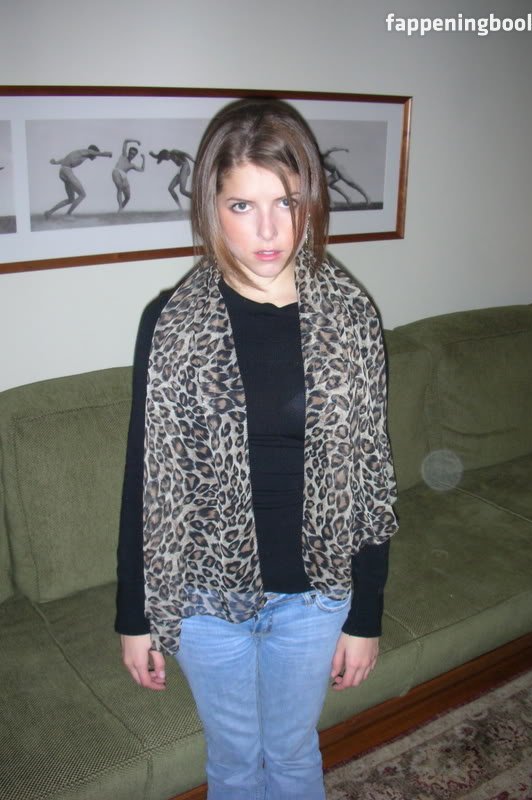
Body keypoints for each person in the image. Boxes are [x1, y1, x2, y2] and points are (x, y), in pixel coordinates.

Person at [115, 97, 397, 800]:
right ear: (212, 209)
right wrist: (134, 616)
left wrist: (365, 617)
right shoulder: (169, 324)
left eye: (286, 202)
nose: (269, 230)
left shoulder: (353, 318)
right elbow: (146, 480)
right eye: (242, 205)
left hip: (315, 596)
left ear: (312, 203)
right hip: (204, 596)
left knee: (294, 753)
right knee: (235, 762)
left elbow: (372, 479)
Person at [44, 145, 112, 217]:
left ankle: (49, 212)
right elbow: (100, 153)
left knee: (71, 199)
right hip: (67, 171)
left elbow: (65, 159)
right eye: (95, 155)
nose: (95, 157)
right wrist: (109, 154)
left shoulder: (81, 154)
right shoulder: (87, 151)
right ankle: (68, 214)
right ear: (93, 152)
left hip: (62, 171)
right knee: (82, 195)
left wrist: (55, 162)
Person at [112, 139, 145, 210]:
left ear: (135, 155)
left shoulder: (132, 165)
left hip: (124, 176)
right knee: (119, 188)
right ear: (128, 152)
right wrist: (136, 141)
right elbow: (125, 141)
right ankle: (120, 208)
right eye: (131, 153)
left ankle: (120, 210)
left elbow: (142, 169)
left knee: (128, 197)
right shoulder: (124, 155)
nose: (131, 155)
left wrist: (144, 159)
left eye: (133, 154)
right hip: (117, 171)